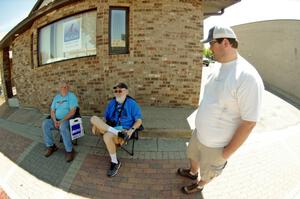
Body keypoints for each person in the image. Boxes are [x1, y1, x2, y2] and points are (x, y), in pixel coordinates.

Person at [178, 26, 264, 194]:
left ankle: (200, 184)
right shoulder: (218, 66)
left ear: (225, 42)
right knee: (193, 157)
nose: (209, 48)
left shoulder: (247, 77)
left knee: (209, 172)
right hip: (199, 134)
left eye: (211, 43)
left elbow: (249, 123)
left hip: (217, 146)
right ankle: (192, 172)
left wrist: (225, 154)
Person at [90, 82, 143, 177]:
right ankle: (116, 133)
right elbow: (105, 118)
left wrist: (131, 130)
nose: (117, 93)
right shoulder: (112, 103)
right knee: (93, 120)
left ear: (126, 92)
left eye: (120, 91)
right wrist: (101, 123)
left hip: (124, 129)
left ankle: (115, 162)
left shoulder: (132, 104)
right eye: (116, 91)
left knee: (106, 136)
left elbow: (139, 121)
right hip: (112, 127)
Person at [42, 81, 78, 162]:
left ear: (68, 88)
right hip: (56, 120)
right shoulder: (56, 97)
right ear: (59, 89)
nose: (64, 88)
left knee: (63, 127)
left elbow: (72, 111)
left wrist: (61, 121)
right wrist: (55, 121)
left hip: (67, 119)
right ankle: (51, 146)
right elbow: (52, 111)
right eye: (62, 87)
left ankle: (69, 150)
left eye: (66, 87)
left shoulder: (71, 96)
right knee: (45, 124)